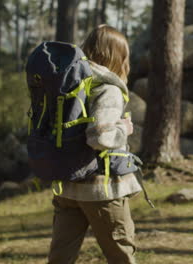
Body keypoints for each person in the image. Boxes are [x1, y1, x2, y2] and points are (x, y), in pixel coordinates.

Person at [47, 25, 142, 264]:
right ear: (117, 56)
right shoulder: (108, 88)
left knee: (60, 258)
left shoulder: (68, 83)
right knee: (122, 255)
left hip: (67, 186)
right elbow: (100, 138)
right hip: (101, 189)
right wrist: (123, 129)